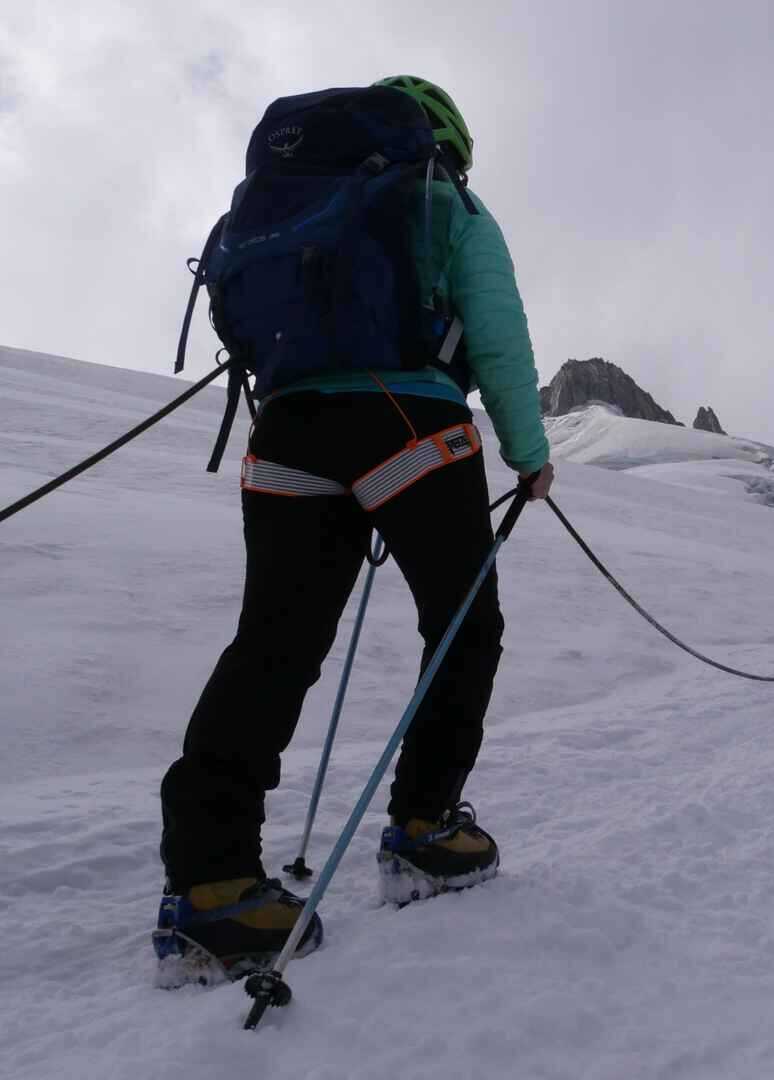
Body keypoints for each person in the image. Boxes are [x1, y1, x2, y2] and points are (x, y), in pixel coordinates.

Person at [154, 76, 553, 985]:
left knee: (275, 642)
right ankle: (425, 828)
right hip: (410, 427)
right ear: (449, 136)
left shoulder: (304, 189)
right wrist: (529, 458)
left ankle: (212, 881)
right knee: (462, 626)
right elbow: (497, 333)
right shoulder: (443, 195)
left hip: (288, 429)